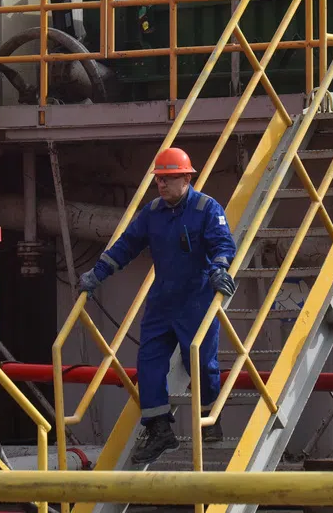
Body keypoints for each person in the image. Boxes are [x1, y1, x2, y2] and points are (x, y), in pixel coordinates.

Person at [79, 146, 238, 465]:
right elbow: (126, 245)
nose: (161, 185)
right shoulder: (152, 213)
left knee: (203, 364)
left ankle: (209, 418)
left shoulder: (207, 209)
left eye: (168, 179)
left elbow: (223, 244)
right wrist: (98, 272)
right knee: (148, 361)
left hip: (197, 299)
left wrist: (219, 268)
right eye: (159, 180)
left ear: (186, 178)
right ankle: (159, 429)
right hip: (162, 302)